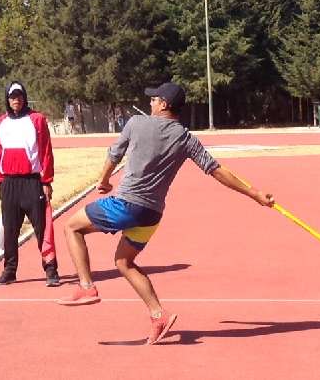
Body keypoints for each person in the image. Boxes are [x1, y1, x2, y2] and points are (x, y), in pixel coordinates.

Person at [56, 82, 275, 345]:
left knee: (72, 227)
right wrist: (254, 194)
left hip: (126, 204)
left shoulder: (136, 123)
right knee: (124, 262)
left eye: (154, 99)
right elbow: (216, 170)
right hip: (151, 215)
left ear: (164, 104)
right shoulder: (185, 138)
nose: (150, 103)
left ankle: (86, 286)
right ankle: (158, 315)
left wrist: (103, 181)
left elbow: (114, 153)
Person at [0, 81, 60, 287]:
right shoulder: (0, 122)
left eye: (20, 96)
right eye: (12, 96)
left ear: (25, 97)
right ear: (7, 98)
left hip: (32, 182)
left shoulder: (37, 120)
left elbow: (46, 150)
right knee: (10, 229)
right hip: (9, 183)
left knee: (42, 228)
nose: (16, 100)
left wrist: (46, 180)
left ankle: (51, 269)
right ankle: (9, 270)